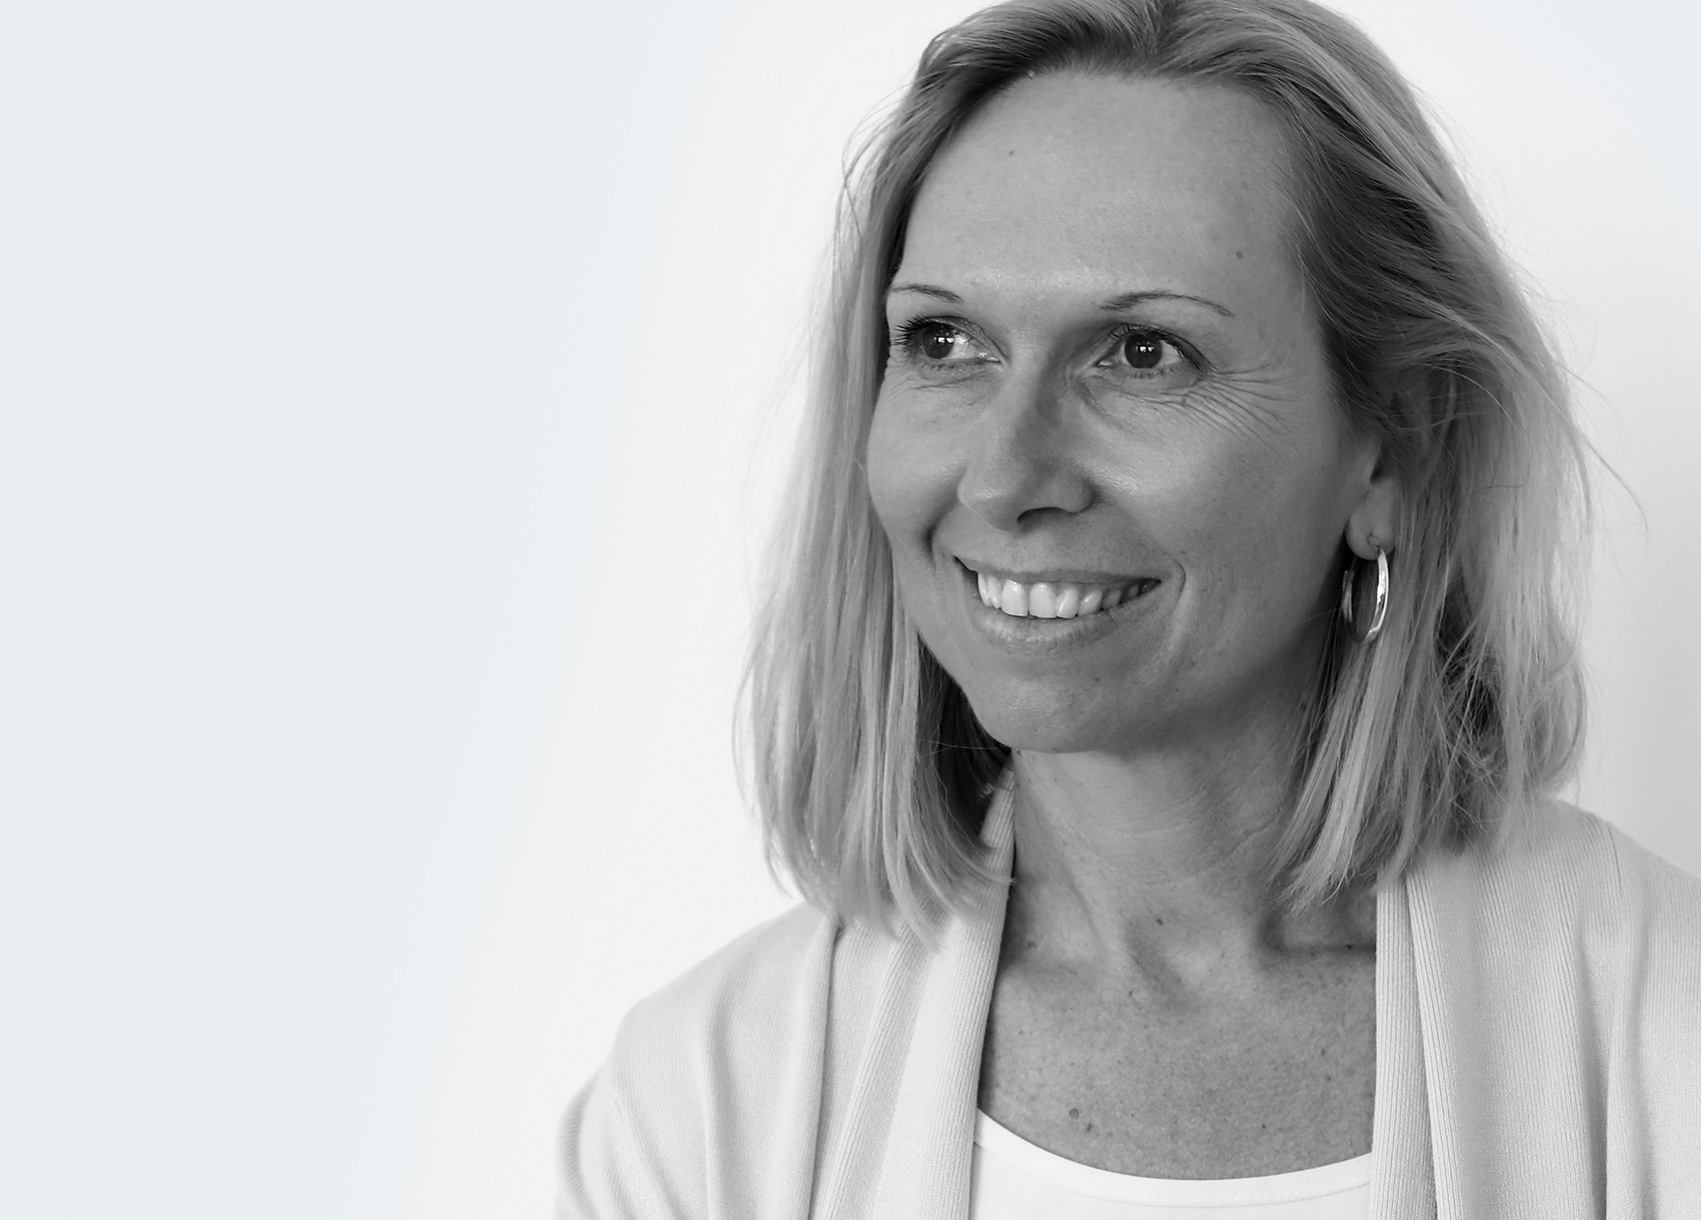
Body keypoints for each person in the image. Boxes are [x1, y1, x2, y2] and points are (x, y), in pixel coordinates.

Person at [556, 0, 1701, 1215]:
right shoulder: (699, 1106)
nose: (1004, 477)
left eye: (1144, 354)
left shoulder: (1665, 1030)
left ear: (1391, 453)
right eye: (944, 341)